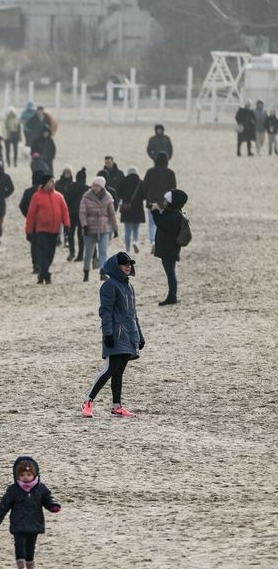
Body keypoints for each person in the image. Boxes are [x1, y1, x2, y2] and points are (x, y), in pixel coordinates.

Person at [83, 252, 144, 418]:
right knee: (110, 369)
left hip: (129, 334)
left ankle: (117, 406)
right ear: (116, 266)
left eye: (130, 264)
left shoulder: (128, 286)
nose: (128, 266)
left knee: (119, 372)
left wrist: (139, 334)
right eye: (125, 264)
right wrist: (108, 333)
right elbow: (106, 311)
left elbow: (133, 313)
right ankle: (88, 401)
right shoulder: (109, 285)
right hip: (115, 334)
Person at [0, 456, 62, 569]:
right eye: (22, 475)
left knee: (31, 547)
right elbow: (4, 505)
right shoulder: (13, 490)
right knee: (20, 545)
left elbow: (48, 499)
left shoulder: (41, 488)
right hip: (18, 524)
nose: (25, 477)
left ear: (35, 474)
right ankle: (21, 568)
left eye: (28, 474)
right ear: (17, 476)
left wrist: (53, 506)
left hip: (34, 523)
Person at [25, 176, 69, 284]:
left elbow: (64, 211)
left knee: (50, 254)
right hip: (42, 230)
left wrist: (67, 224)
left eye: (53, 182)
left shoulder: (58, 196)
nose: (53, 184)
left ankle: (42, 274)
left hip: (55, 231)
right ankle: (47, 275)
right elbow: (31, 214)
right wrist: (29, 230)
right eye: (51, 182)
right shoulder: (37, 197)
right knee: (43, 253)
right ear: (45, 183)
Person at [151, 189, 188, 306]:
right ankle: (172, 295)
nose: (164, 201)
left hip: (169, 249)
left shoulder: (173, 214)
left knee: (170, 273)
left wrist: (155, 212)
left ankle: (172, 296)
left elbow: (161, 223)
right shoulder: (175, 212)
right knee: (171, 273)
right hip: (170, 248)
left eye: (166, 200)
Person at [79, 176, 119, 280]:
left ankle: (103, 272)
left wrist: (115, 228)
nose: (94, 188)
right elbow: (82, 212)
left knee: (103, 251)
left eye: (97, 186)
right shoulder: (86, 196)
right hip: (89, 228)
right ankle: (86, 272)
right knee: (88, 252)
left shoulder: (108, 197)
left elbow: (112, 214)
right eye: (93, 185)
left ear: (102, 187)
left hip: (104, 228)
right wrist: (84, 225)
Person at [141, 152, 176, 245]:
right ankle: (162, 240)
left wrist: (145, 197)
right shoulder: (170, 173)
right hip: (165, 202)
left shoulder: (150, 172)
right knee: (164, 222)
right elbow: (173, 189)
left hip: (152, 201)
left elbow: (144, 186)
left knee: (152, 222)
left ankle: (153, 241)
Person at [61, 166, 88, 261]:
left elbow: (65, 200)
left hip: (71, 213)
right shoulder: (86, 188)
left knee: (71, 233)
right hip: (82, 214)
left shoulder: (71, 187)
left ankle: (72, 252)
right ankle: (80, 255)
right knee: (81, 235)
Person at [117, 166, 144, 253]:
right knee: (136, 228)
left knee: (127, 230)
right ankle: (135, 241)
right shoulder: (140, 182)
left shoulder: (123, 181)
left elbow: (118, 193)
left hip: (127, 209)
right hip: (138, 208)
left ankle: (127, 249)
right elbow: (144, 195)